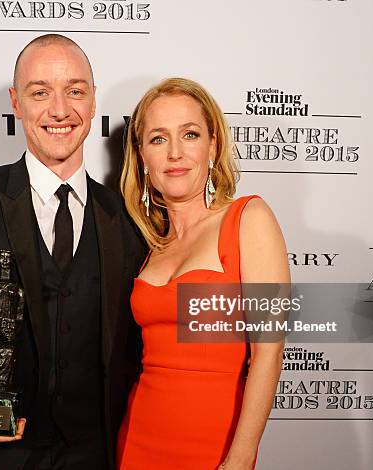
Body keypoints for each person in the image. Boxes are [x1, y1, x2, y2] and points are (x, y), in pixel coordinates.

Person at [0, 34, 145, 470]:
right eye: (41, 93)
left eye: (75, 91)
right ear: (16, 103)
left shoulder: (127, 217)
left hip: (97, 453)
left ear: (94, 102)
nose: (60, 110)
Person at [116, 78, 288, 469]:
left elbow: (269, 351)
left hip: (214, 444)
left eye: (189, 134)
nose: (175, 153)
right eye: (158, 139)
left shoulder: (248, 218)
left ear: (212, 145)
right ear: (142, 155)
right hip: (137, 438)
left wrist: (241, 456)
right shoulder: (149, 244)